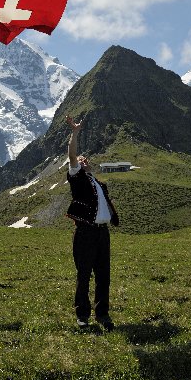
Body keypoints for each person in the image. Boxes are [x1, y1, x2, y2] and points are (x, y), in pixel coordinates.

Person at [65, 115, 119, 331]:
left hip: (102, 233)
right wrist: (75, 133)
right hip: (85, 233)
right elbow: (71, 154)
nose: (83, 161)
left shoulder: (97, 182)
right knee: (84, 274)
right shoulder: (76, 177)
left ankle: (102, 314)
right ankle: (83, 315)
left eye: (86, 159)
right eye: (81, 160)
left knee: (103, 275)